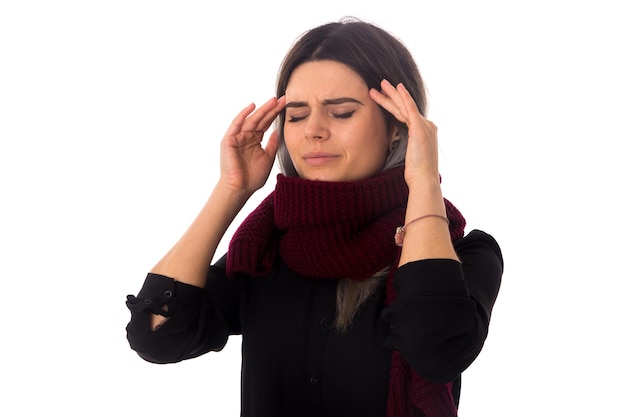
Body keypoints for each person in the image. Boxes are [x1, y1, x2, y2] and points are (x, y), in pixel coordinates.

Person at [126, 17, 503, 417]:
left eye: (341, 113)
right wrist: (231, 190)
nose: (314, 131)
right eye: (297, 115)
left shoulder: (465, 254)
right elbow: (157, 336)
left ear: (398, 128)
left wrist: (424, 180)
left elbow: (436, 349)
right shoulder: (266, 250)